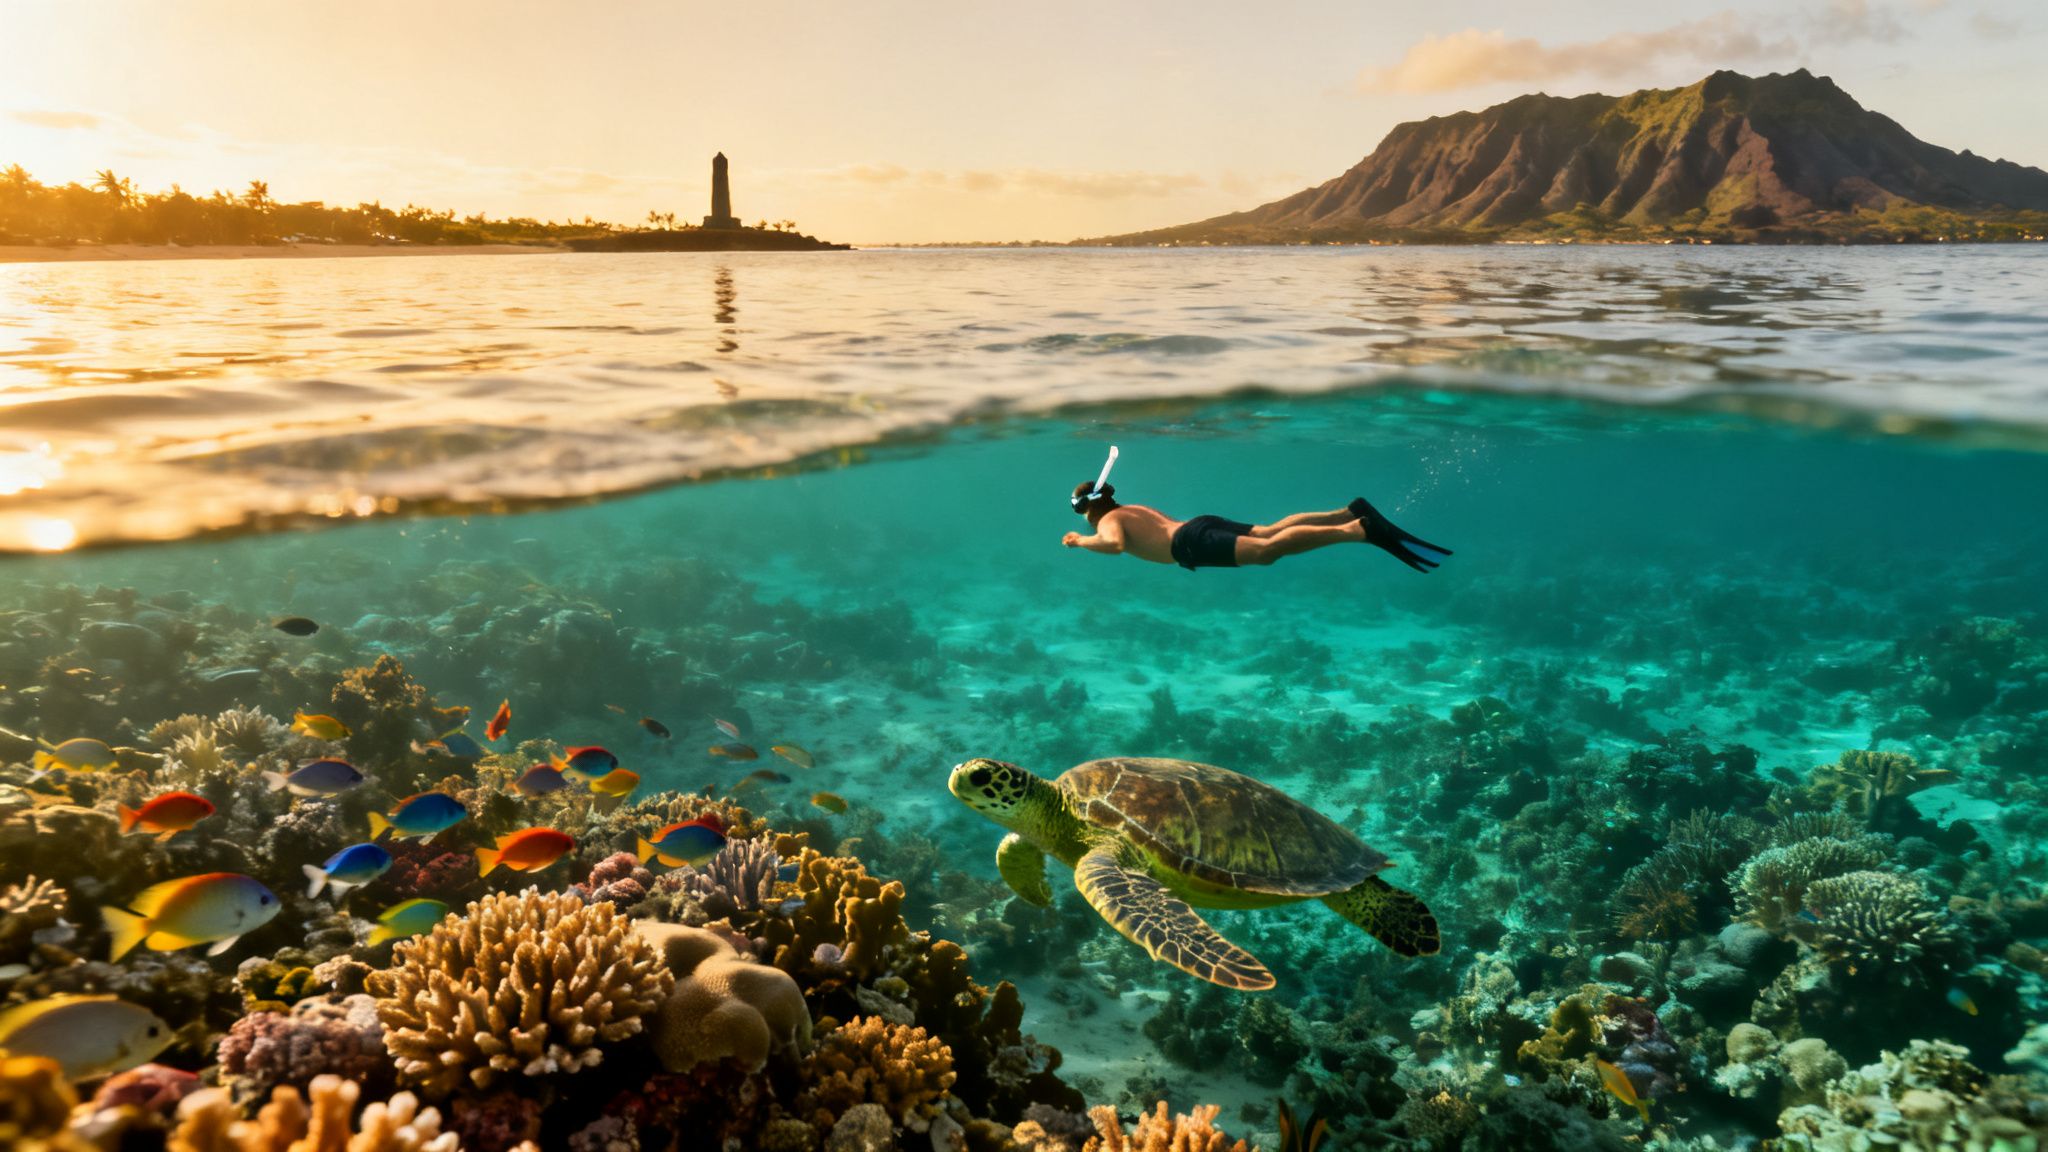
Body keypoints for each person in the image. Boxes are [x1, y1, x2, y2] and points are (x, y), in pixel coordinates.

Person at [1061, 481, 1451, 573]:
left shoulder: (1109, 521)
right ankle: (1345, 513)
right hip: (1197, 525)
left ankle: (1357, 530)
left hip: (1190, 543)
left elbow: (1112, 546)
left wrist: (1082, 541)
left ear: (1088, 510)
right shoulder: (1130, 508)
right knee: (1268, 530)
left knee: (1267, 552)